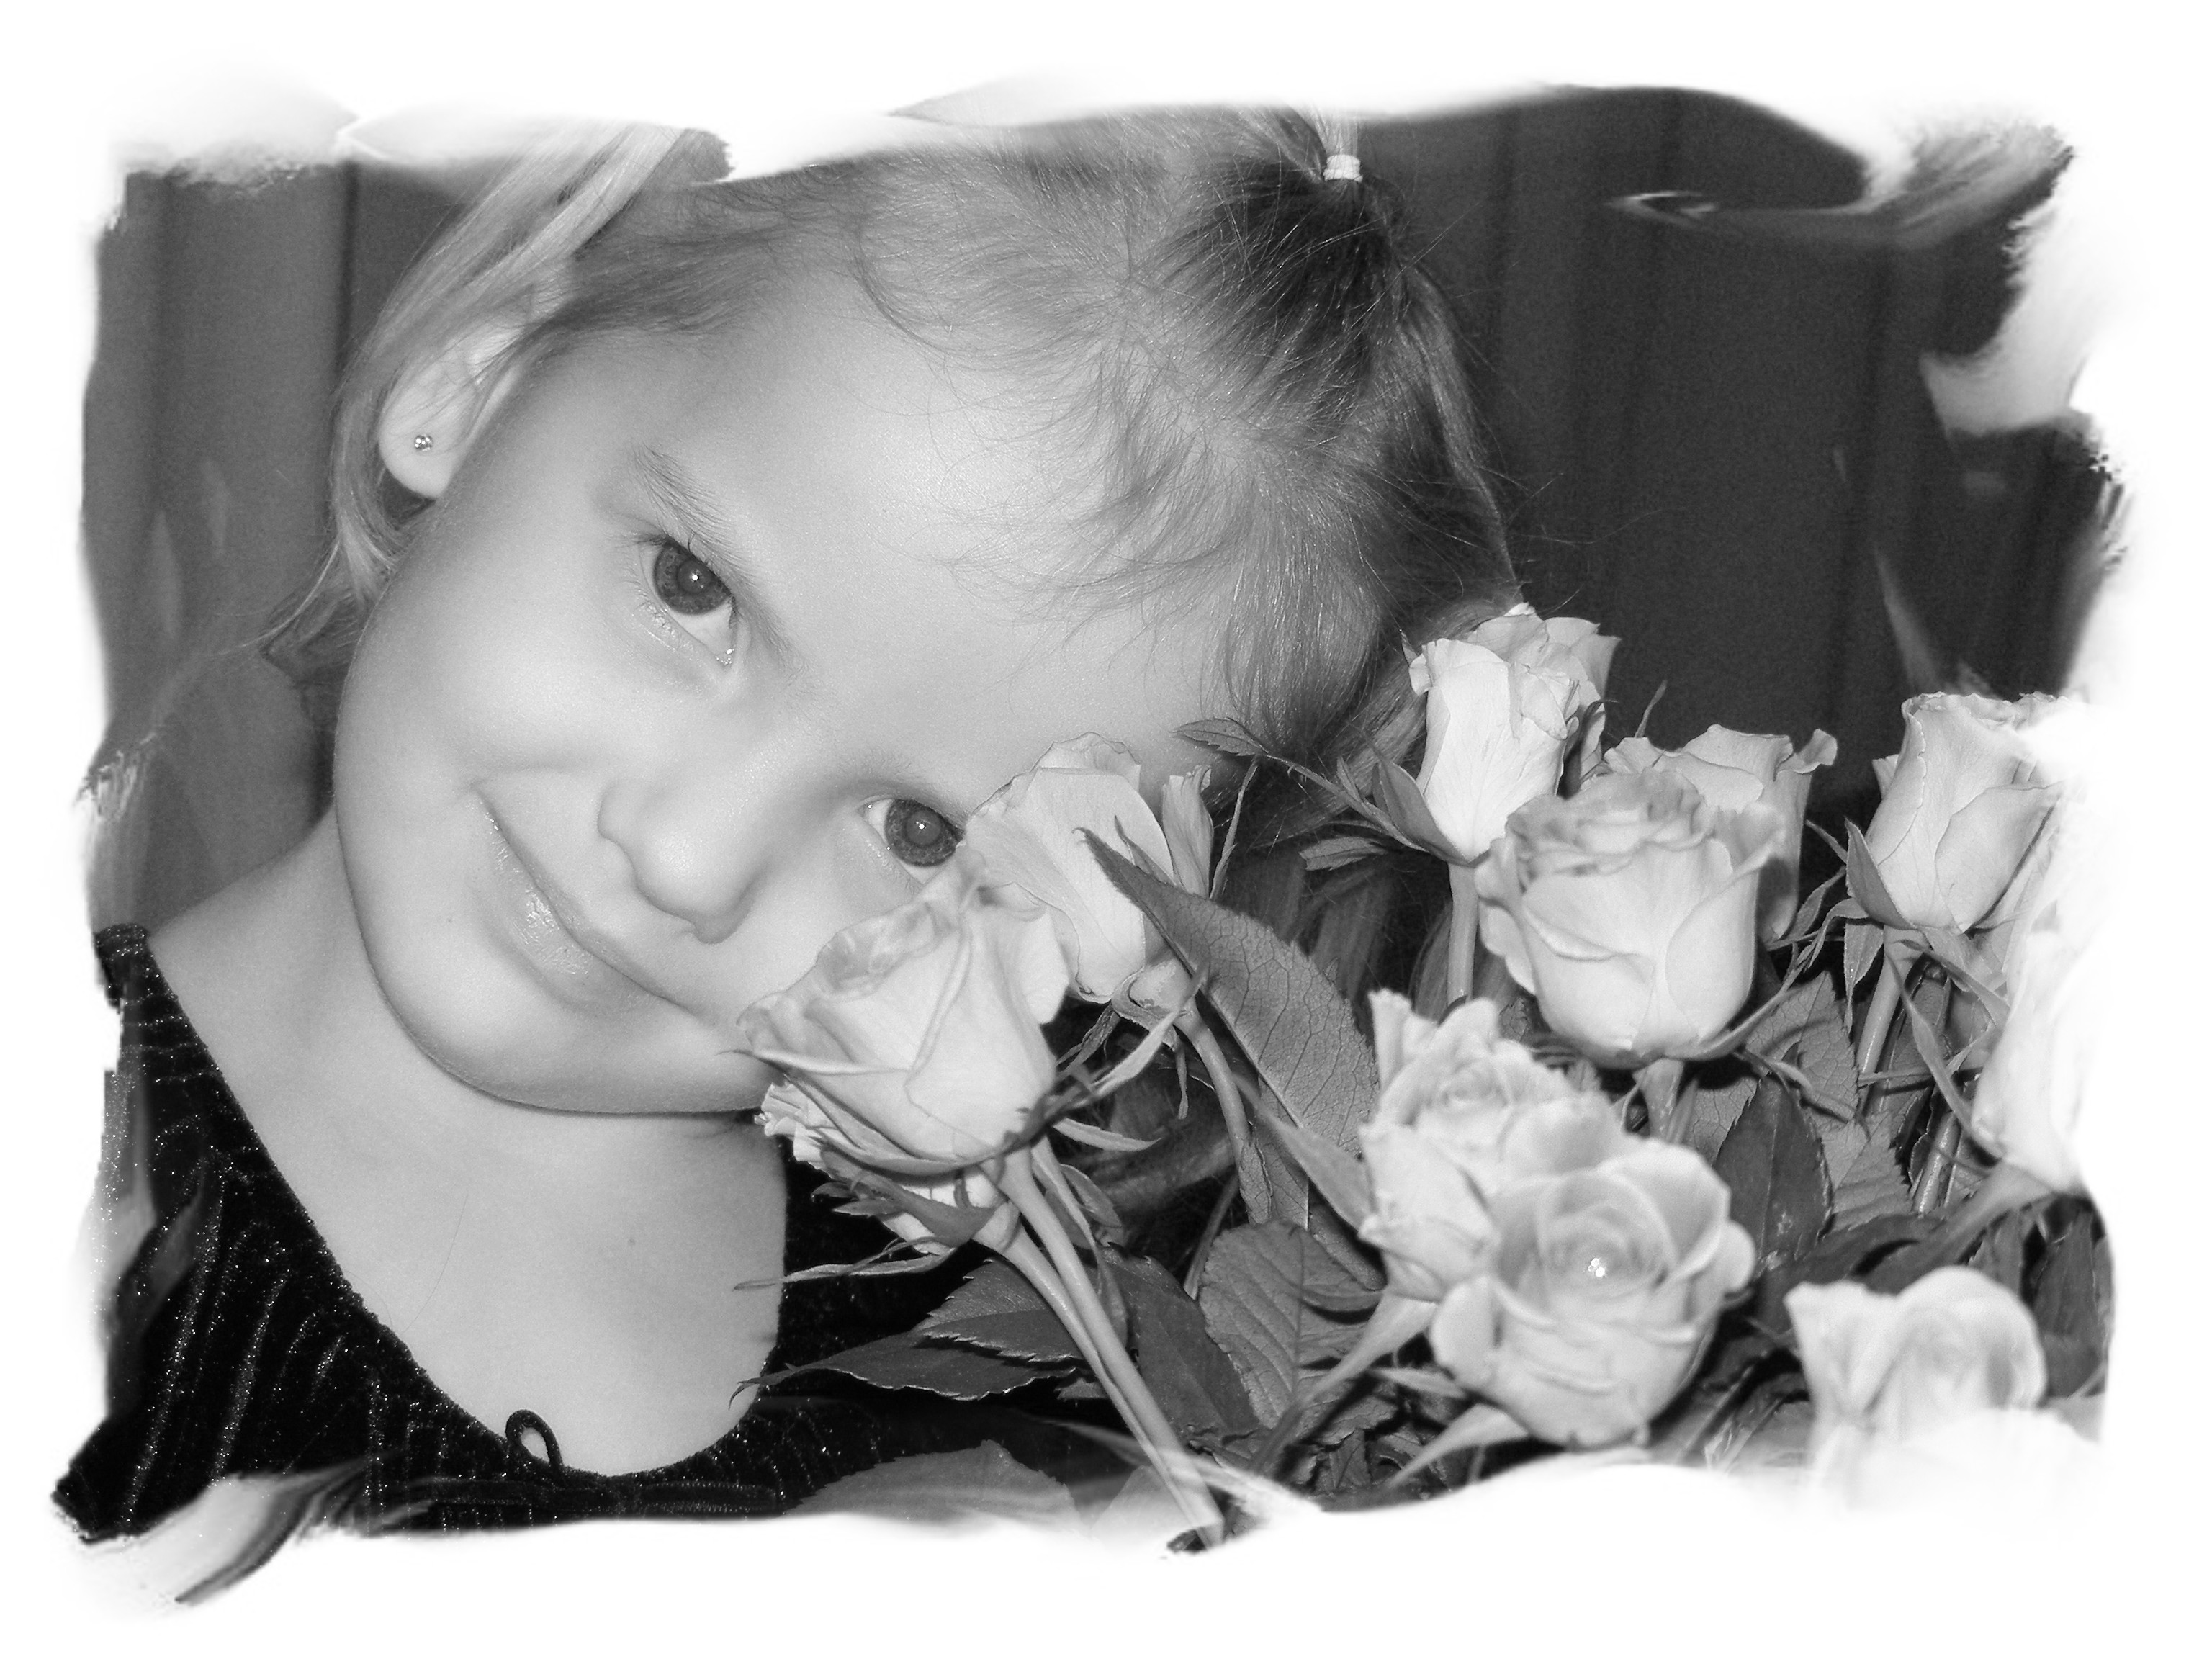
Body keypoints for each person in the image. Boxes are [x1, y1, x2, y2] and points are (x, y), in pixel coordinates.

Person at [58, 109, 1518, 1552]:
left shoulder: (1051, 1402)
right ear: (479, 380)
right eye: (691, 590)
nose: (686, 857)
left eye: (921, 832)